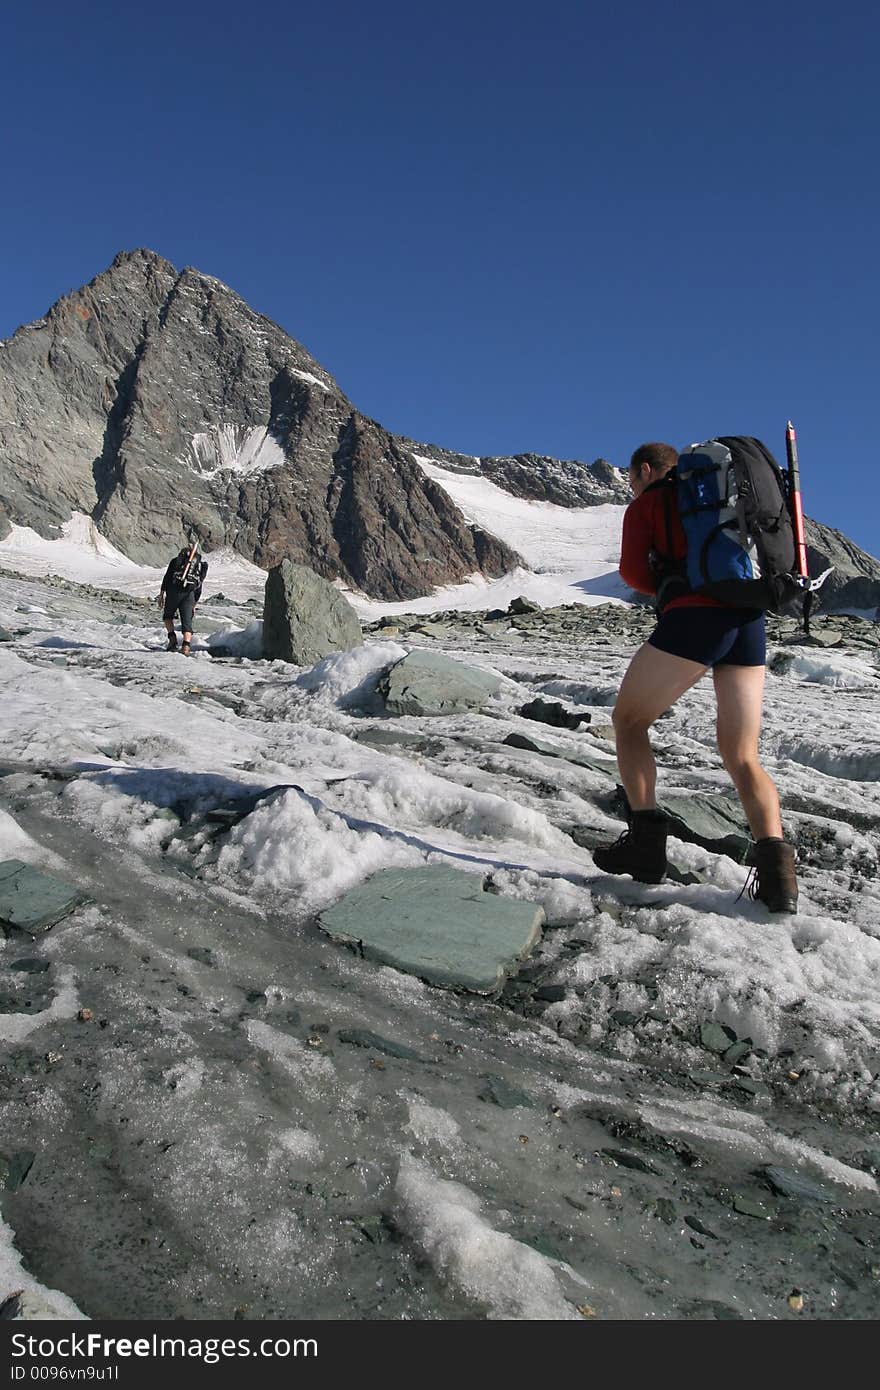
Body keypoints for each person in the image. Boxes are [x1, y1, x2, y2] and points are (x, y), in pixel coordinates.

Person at [592, 441, 798, 913]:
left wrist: (669, 581)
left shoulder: (648, 502)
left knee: (629, 721)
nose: (632, 485)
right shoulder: (722, 499)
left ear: (645, 469)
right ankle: (779, 884)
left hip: (696, 619)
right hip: (747, 622)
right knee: (742, 754)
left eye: (632, 477)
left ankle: (645, 847)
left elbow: (632, 574)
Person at [157, 542, 208, 656]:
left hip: (174, 591)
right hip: (189, 594)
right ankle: (186, 647)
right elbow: (199, 585)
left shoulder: (175, 561)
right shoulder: (199, 566)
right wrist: (194, 603)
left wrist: (162, 594)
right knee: (187, 622)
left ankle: (172, 640)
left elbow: (167, 577)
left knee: (168, 616)